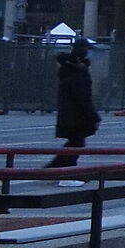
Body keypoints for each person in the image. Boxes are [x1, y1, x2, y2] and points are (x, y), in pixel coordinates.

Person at [47, 36, 100, 178]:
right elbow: (82, 96)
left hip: (70, 113)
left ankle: (58, 168)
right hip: (76, 115)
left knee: (76, 142)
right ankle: (62, 170)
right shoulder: (77, 72)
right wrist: (93, 116)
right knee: (77, 142)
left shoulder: (69, 69)